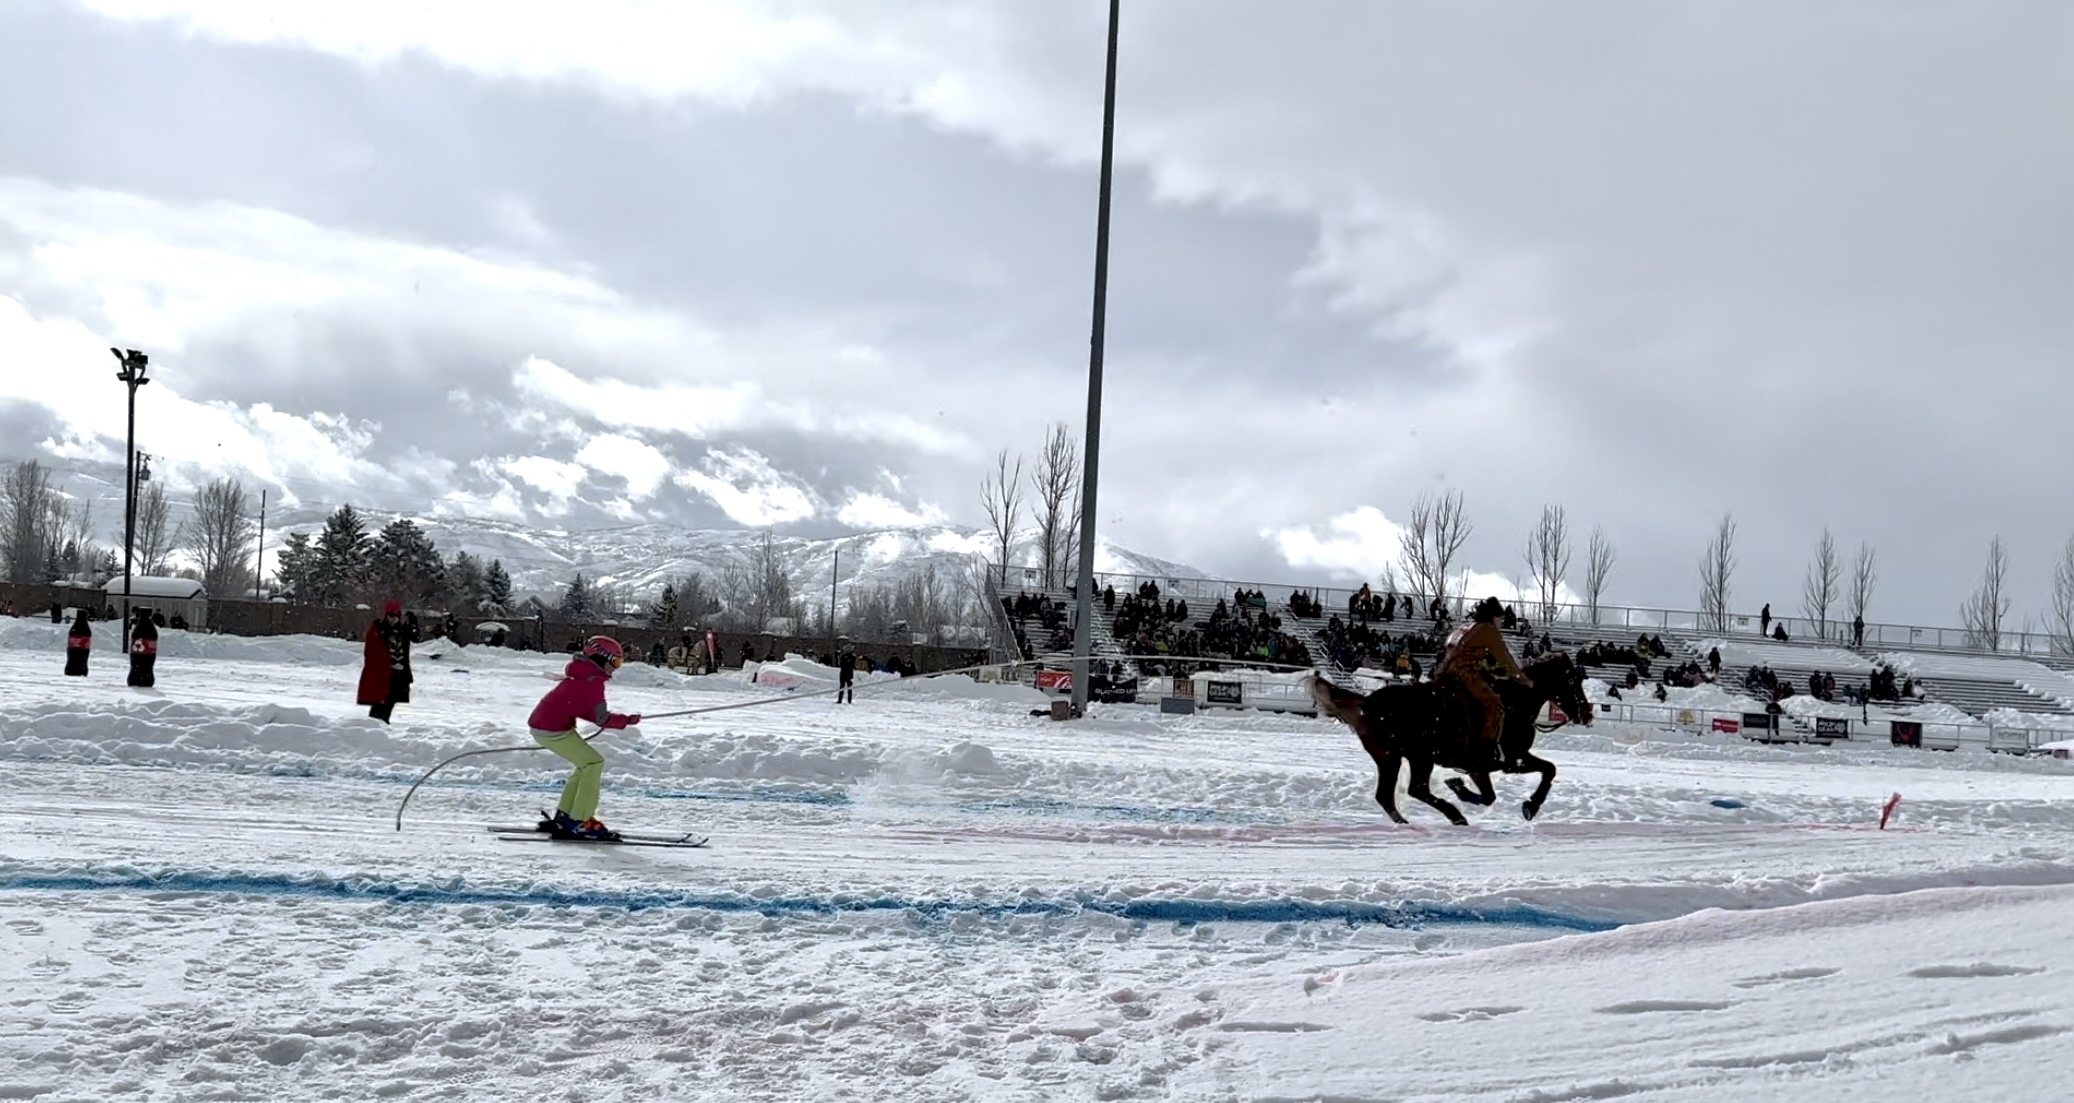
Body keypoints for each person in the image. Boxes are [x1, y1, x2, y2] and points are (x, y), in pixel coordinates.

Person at [528, 636, 641, 840]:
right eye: (615, 662)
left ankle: (566, 817)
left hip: (547, 726)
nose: (616, 668)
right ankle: (580, 821)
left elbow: (583, 708)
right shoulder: (592, 681)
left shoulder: (583, 676)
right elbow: (601, 718)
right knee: (593, 763)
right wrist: (626, 720)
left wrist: (623, 720)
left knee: (586, 764)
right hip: (552, 730)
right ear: (600, 658)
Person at [1433, 596, 1529, 768]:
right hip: (1464, 674)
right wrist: (1525, 680)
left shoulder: (1467, 627)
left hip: (1445, 672)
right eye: (1501, 619)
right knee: (1496, 707)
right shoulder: (1489, 630)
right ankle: (1487, 750)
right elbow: (1505, 659)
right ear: (1493, 617)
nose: (1502, 623)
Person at [358, 600, 412, 723]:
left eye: (396, 616)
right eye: (391, 616)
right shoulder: (377, 630)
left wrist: (406, 673)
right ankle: (375, 728)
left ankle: (382, 725)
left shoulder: (401, 632)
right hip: (381, 674)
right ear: (386, 616)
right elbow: (371, 653)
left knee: (389, 703)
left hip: (397, 674)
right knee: (379, 703)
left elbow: (405, 653)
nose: (393, 619)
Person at [126, 607, 158, 688]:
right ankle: (146, 678)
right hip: (147, 676)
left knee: (137, 665)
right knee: (146, 666)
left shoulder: (138, 628)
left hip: (137, 657)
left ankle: (135, 677)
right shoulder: (151, 629)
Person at [64, 608, 92, 677]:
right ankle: (81, 670)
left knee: (74, 658)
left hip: (74, 650)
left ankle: (71, 669)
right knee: (81, 659)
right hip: (81, 651)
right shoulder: (85, 629)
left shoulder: (75, 628)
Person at [836, 637, 857, 704]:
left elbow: (841, 664)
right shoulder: (846, 656)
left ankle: (846, 700)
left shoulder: (851, 656)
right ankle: (845, 700)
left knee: (846, 687)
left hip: (847, 673)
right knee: (844, 687)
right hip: (846, 673)